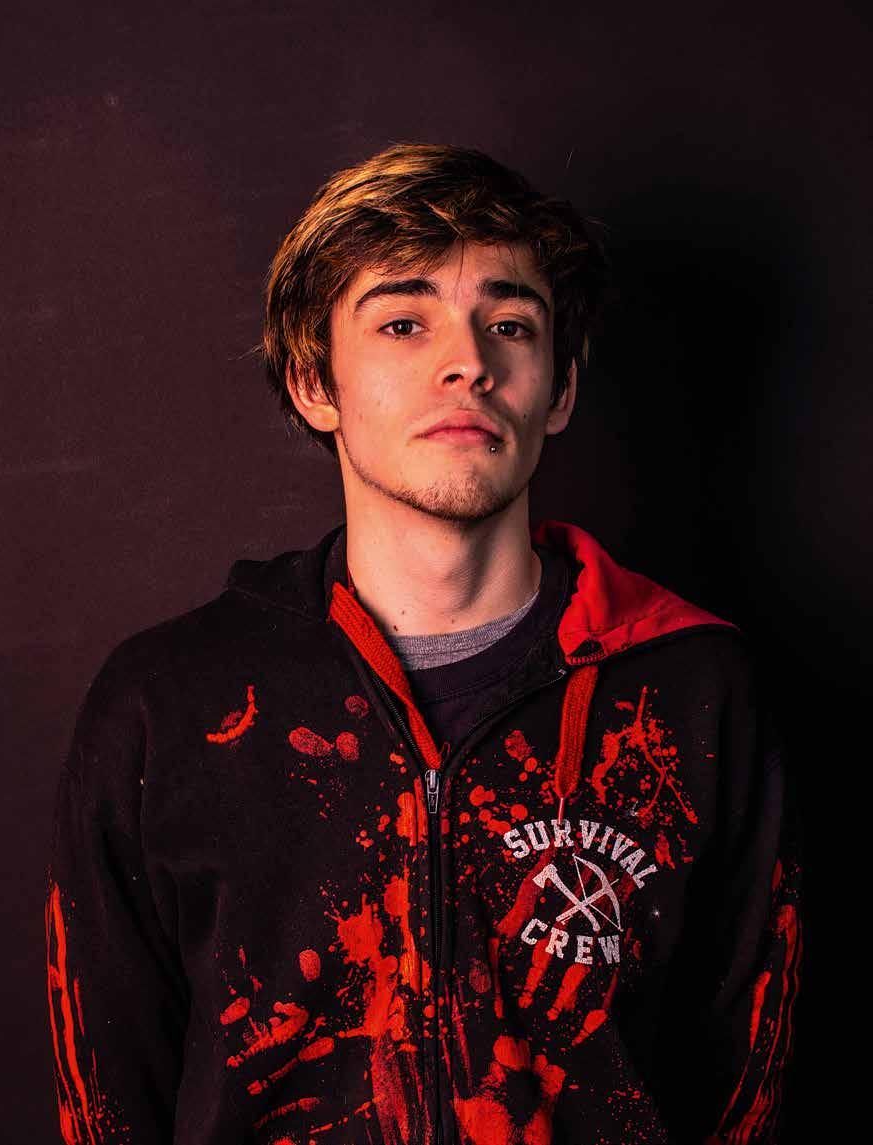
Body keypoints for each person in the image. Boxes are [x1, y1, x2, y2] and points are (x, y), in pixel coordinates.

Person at [45, 142, 803, 1145]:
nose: (469, 361)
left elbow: (742, 1084)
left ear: (558, 391)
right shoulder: (170, 702)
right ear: (314, 382)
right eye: (404, 322)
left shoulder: (692, 688)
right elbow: (108, 1095)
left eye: (510, 325)